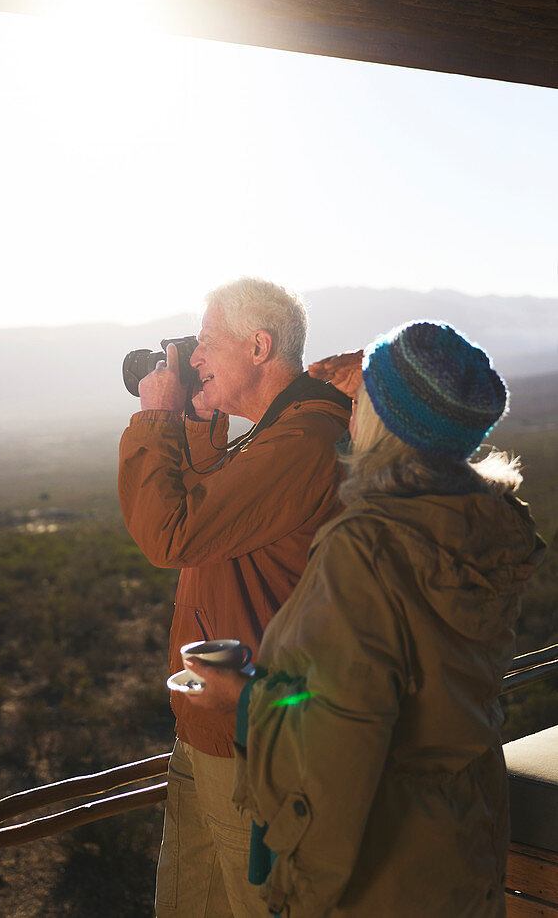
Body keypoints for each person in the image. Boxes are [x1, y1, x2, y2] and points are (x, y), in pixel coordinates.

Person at [186, 320, 545, 918]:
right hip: (463, 836)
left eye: (365, 398)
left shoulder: (368, 546)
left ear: (381, 418)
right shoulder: (485, 527)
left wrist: (245, 697)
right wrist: (383, 379)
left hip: (381, 868)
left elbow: (340, 734)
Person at [118, 277, 357, 918]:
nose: (193, 359)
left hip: (254, 738)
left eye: (205, 343)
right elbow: (212, 524)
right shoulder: (279, 432)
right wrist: (197, 421)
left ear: (258, 346)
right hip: (211, 725)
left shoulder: (303, 442)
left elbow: (174, 532)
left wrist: (158, 419)